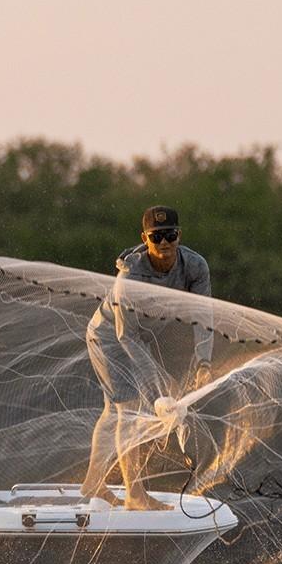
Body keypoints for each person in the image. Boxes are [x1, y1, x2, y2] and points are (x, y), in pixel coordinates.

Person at [80, 205, 214, 510]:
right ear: (145, 238)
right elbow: (126, 336)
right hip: (109, 337)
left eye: (170, 235)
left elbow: (203, 316)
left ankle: (94, 485)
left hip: (140, 337)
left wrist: (204, 363)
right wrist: (155, 396)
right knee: (129, 407)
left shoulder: (195, 267)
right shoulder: (130, 277)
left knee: (112, 411)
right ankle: (135, 494)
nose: (164, 244)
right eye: (157, 237)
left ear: (179, 235)